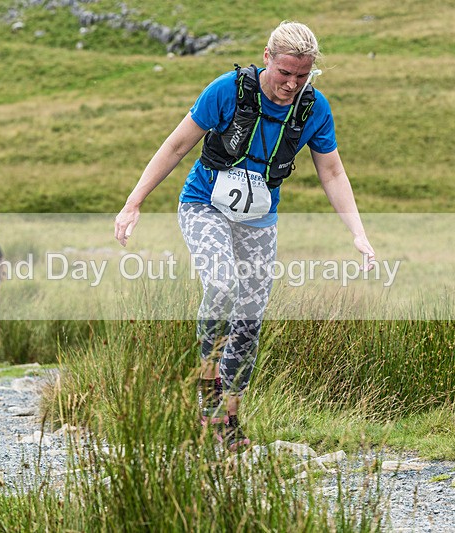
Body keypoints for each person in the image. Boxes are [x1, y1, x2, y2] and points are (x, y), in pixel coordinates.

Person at [114, 21, 376, 450]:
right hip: (204, 205)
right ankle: (207, 391)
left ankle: (230, 418)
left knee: (250, 317)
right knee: (221, 285)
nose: (291, 84)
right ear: (267, 57)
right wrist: (134, 202)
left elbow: (332, 172)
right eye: (284, 72)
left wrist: (358, 232)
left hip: (258, 219)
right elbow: (176, 146)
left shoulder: (313, 108)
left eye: (302, 75)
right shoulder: (227, 91)